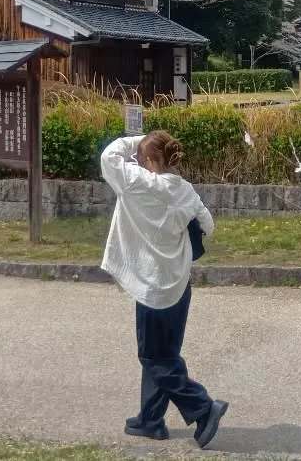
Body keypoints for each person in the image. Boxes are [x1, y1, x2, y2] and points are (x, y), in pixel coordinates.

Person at [99, 130, 229, 449]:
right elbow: (208, 225)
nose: (139, 164)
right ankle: (150, 420)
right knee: (164, 354)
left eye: (143, 160)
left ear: (154, 161)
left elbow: (108, 157)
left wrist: (137, 138)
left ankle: (202, 407)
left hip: (152, 285)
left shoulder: (137, 183)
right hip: (179, 282)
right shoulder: (185, 190)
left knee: (153, 355)